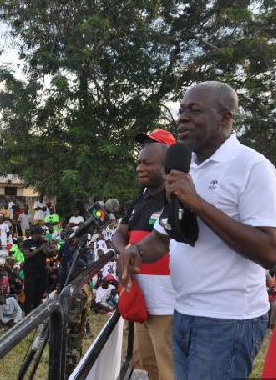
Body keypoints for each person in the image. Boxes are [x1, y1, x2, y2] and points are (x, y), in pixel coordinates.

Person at [119, 81, 276, 380]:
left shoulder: (252, 166)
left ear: (225, 118)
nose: (182, 117)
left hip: (227, 320)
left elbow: (269, 251)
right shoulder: (184, 165)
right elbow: (163, 236)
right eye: (181, 110)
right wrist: (136, 252)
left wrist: (197, 202)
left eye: (194, 111)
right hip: (183, 312)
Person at [112, 140, 175, 380]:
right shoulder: (141, 198)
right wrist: (125, 252)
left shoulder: (175, 198)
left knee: (169, 370)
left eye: (147, 163)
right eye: (138, 162)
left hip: (167, 303)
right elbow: (120, 233)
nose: (140, 168)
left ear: (166, 167)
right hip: (139, 298)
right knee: (145, 368)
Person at [22, 227, 50, 314]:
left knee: (39, 295)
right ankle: (27, 315)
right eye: (40, 234)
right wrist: (39, 249)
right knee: (29, 295)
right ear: (34, 234)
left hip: (42, 273)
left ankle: (36, 315)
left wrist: (48, 248)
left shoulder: (43, 243)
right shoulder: (27, 242)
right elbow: (27, 255)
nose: (42, 236)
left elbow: (51, 253)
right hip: (31, 273)